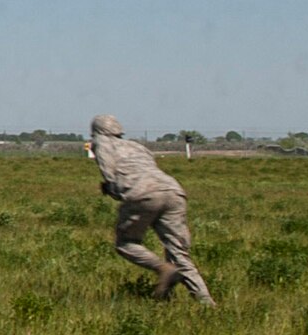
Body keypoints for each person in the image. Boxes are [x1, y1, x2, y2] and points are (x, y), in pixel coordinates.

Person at [88, 115, 214, 304]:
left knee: (126, 243)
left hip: (142, 193)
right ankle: (205, 302)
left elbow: (110, 174)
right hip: (173, 191)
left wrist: (111, 189)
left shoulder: (102, 143)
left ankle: (163, 269)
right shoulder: (137, 146)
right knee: (178, 252)